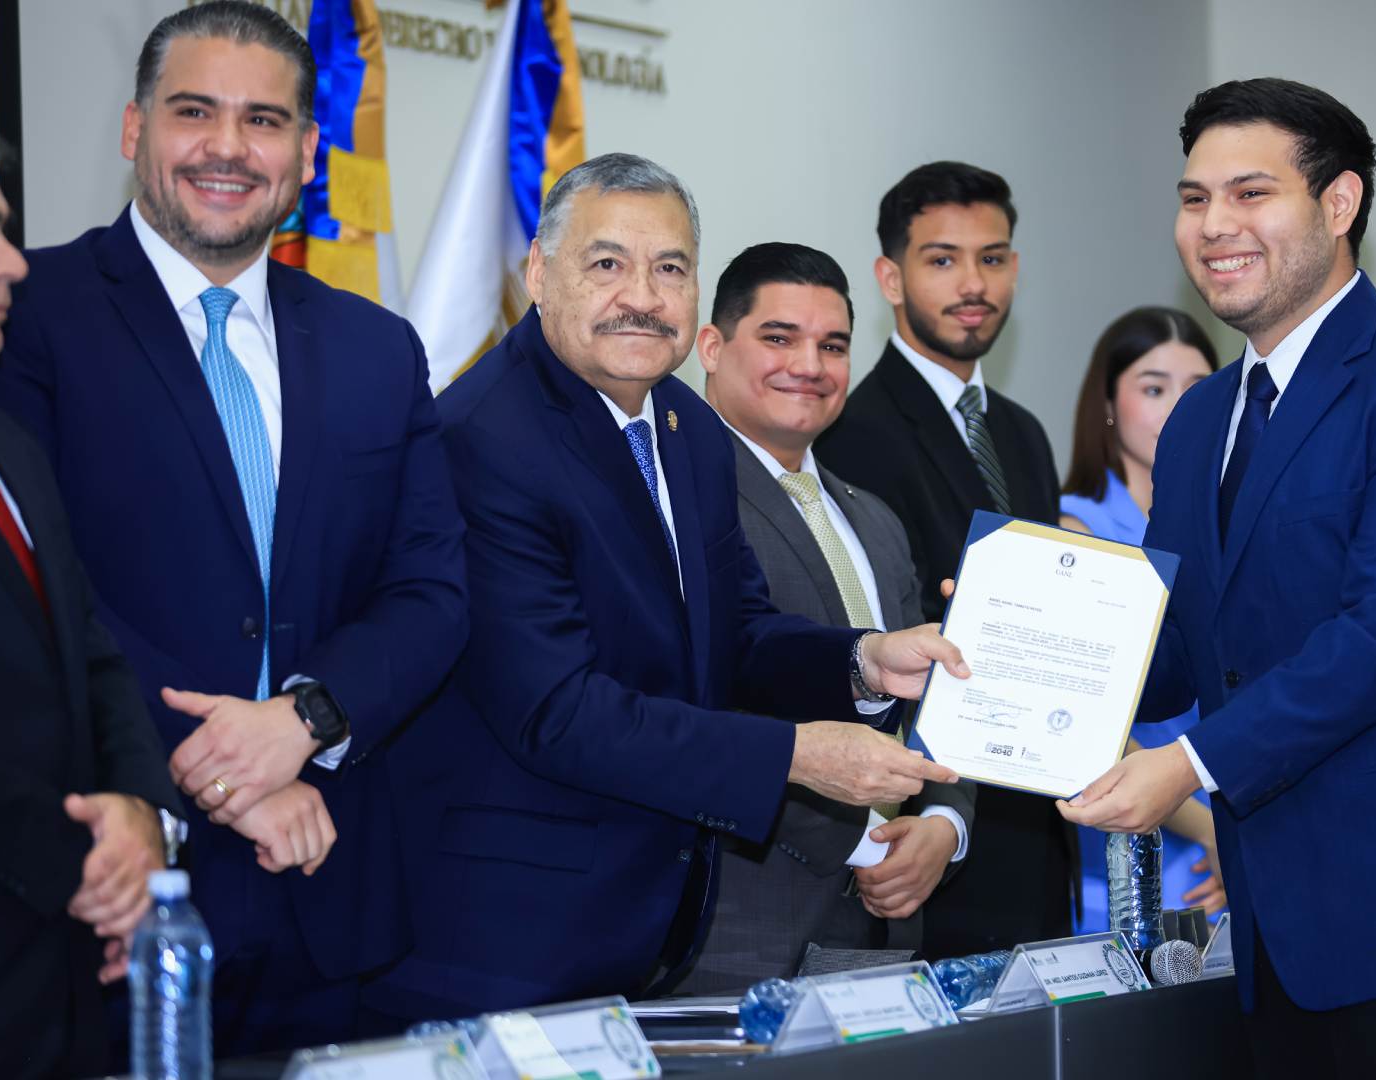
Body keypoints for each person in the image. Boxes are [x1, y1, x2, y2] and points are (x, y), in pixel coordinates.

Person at [0, 3, 468, 1053]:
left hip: (332, 895)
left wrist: (306, 720)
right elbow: (42, 599)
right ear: (133, 128)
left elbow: (429, 593)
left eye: (263, 120)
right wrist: (224, 774)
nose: (228, 148)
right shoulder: (26, 314)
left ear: (307, 152)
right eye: (194, 112)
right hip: (112, 904)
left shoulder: (379, 348)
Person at [373, 156, 968, 1020]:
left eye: (670, 268)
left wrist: (864, 661)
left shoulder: (686, 430)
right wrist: (794, 756)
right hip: (509, 937)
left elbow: (737, 630)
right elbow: (558, 713)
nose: (643, 298)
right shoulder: (481, 439)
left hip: (646, 925)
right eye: (607, 263)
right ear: (539, 273)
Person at [1058, 79, 1376, 1078]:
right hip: (1277, 928)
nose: (1214, 225)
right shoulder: (1200, 420)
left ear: (1339, 203)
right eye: (1195, 198)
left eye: (1251, 193)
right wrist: (1015, 655)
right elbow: (1178, 644)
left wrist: (1188, 765)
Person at [679, 242, 977, 992]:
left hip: (890, 929)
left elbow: (939, 690)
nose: (809, 365)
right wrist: (865, 844)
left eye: (834, 345)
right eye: (779, 338)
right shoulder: (678, 502)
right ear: (711, 347)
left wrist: (942, 827)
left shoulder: (875, 519)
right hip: (743, 930)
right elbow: (692, 706)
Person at [0, 115, 185, 1079]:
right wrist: (88, 865)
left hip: (60, 996)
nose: (11, 263)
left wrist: (141, 813)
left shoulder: (2, 441)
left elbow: (88, 655)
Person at [816, 161, 1076, 958]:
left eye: (991, 258)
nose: (973, 284)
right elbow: (867, 644)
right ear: (890, 278)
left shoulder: (1022, 432)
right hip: (927, 842)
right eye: (942, 259)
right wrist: (939, 818)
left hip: (1037, 824)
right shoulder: (851, 433)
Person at [1057, 306, 1226, 932]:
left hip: (1235, 815)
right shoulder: (1076, 528)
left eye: (1198, 389)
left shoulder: (1229, 522)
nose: (1179, 409)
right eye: (1154, 389)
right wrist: (1211, 831)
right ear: (1107, 405)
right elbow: (1085, 718)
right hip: (1141, 841)